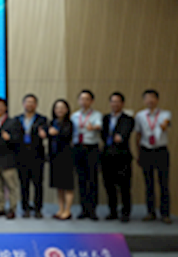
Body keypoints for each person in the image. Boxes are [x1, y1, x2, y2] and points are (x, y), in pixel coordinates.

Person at [135, 89, 172, 224]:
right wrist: (138, 153)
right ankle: (150, 212)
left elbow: (166, 123)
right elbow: (138, 135)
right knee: (148, 184)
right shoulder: (139, 115)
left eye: (152, 98)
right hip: (146, 151)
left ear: (157, 100)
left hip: (161, 151)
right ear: (144, 100)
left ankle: (165, 214)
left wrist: (164, 125)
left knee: (163, 184)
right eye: (147, 98)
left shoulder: (165, 113)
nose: (150, 100)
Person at [101, 92, 135, 222]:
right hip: (107, 157)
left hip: (122, 157)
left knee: (124, 186)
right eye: (112, 101)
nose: (115, 104)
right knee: (109, 186)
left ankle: (125, 212)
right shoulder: (105, 118)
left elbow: (123, 135)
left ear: (122, 103)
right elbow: (103, 135)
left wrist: (118, 137)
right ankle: (112, 211)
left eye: (117, 101)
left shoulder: (128, 119)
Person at [14, 94, 49, 219]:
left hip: (37, 155)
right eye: (27, 102)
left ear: (36, 105)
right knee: (24, 184)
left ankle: (38, 209)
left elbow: (47, 134)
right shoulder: (17, 119)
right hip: (21, 156)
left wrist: (44, 134)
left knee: (38, 184)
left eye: (32, 102)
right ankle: (25, 208)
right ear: (23, 104)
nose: (29, 104)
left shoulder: (42, 119)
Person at [71, 89, 103, 220]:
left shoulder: (97, 115)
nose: (84, 102)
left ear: (92, 101)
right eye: (82, 99)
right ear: (78, 101)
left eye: (87, 99)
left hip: (92, 148)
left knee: (93, 180)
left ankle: (93, 210)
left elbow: (99, 126)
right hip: (78, 148)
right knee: (81, 180)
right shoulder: (74, 116)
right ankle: (84, 209)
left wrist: (94, 127)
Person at [0, 98, 20, 220]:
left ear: (6, 107)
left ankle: (12, 209)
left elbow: (18, 139)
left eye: (1, 106)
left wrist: (10, 138)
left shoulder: (13, 122)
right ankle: (0, 208)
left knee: (12, 186)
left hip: (8, 159)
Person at [48, 99, 75, 220]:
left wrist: (55, 133)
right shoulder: (52, 122)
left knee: (67, 185)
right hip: (55, 157)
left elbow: (66, 136)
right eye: (57, 108)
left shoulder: (69, 123)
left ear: (67, 110)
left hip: (66, 157)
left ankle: (68, 210)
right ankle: (61, 209)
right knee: (59, 186)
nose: (59, 110)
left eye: (62, 108)